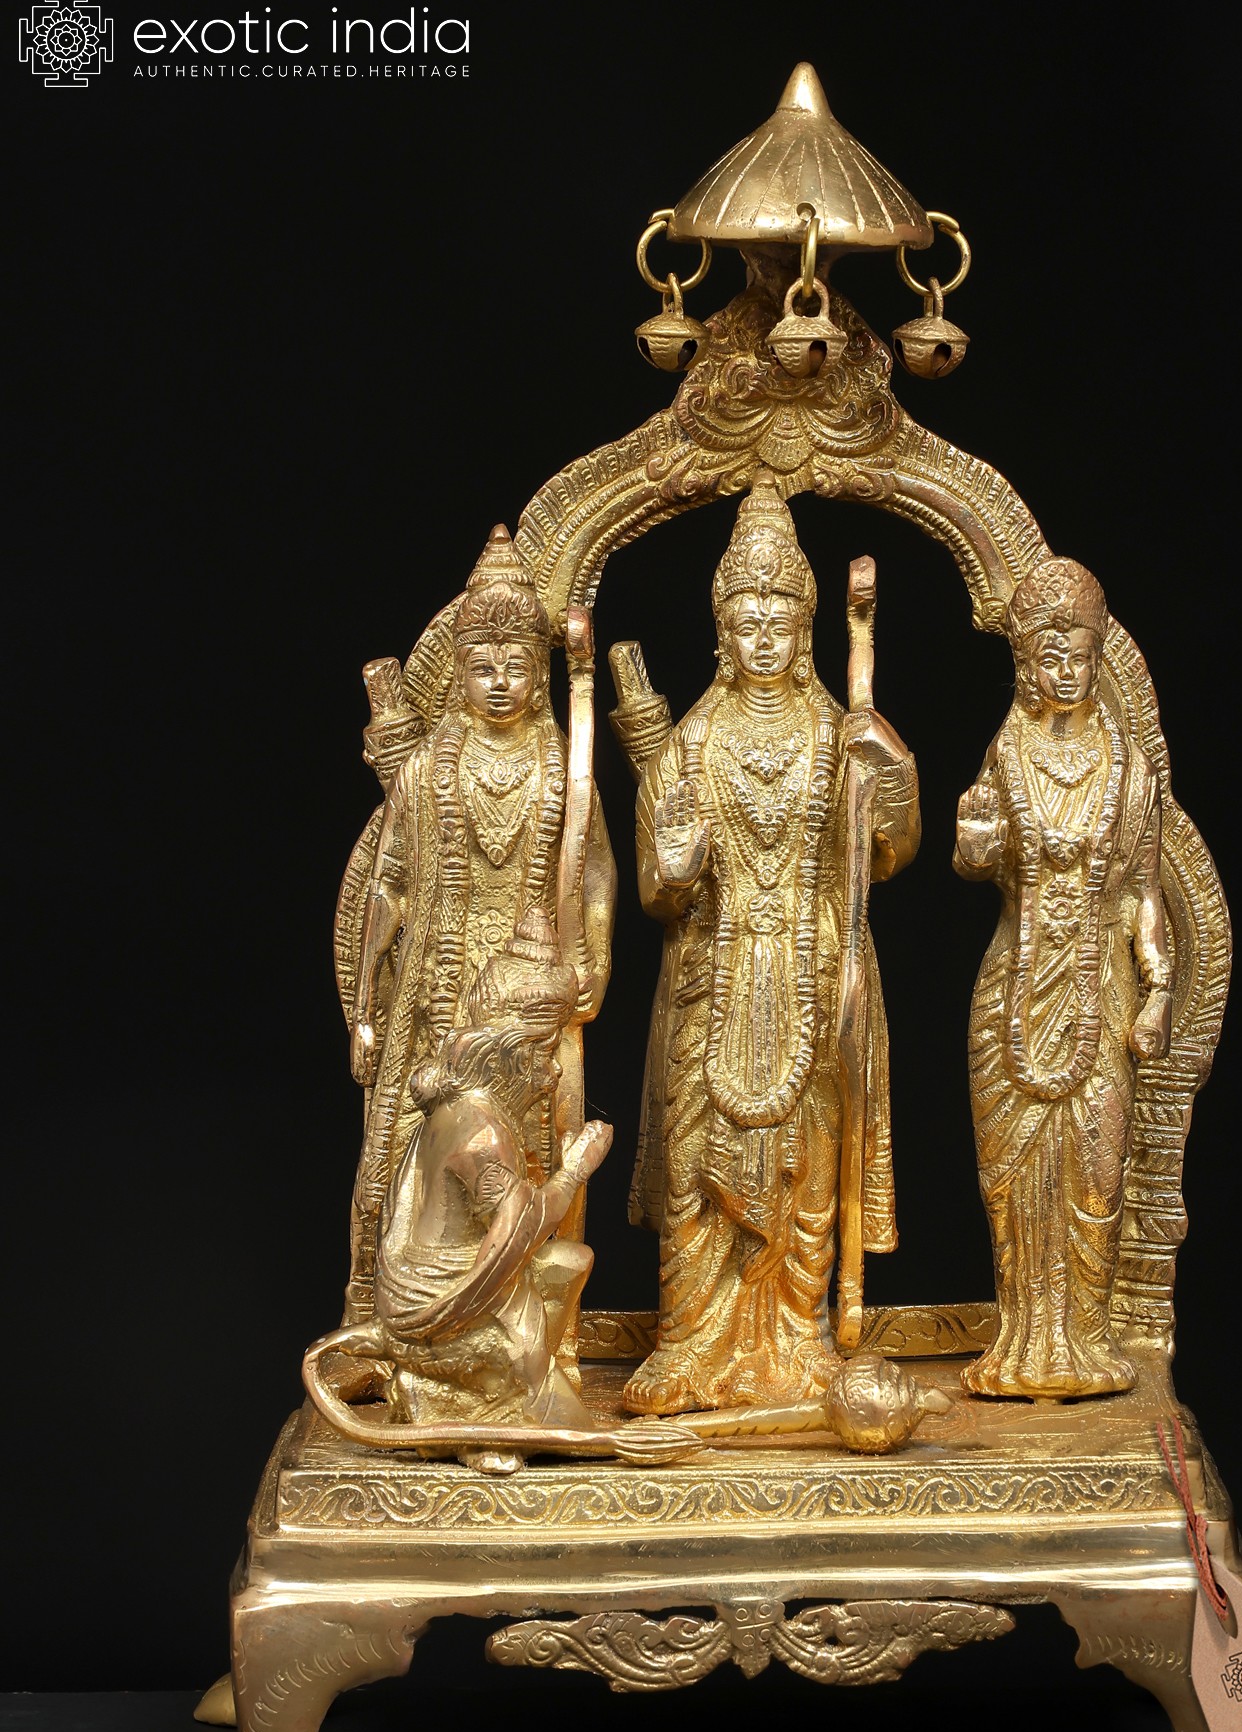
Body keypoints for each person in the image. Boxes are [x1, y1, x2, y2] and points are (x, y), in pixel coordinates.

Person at [624, 473, 919, 1414]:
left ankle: (798, 1339)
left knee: (806, 1168)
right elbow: (654, 889)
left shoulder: (837, 734)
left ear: (805, 627)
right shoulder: (689, 742)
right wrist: (672, 868)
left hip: (810, 969)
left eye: (779, 620)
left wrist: (894, 777)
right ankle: (687, 1342)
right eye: (745, 620)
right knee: (694, 1169)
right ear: (722, 629)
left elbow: (887, 852)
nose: (761, 638)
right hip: (710, 977)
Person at [346, 525, 615, 1320]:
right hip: (438, 992)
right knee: (411, 1150)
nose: (500, 683)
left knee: (537, 1146)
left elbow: (595, 870)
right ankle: (402, 1324)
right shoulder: (427, 768)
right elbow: (388, 884)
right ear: (459, 670)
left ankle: (531, 1330)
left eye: (517, 666)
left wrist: (595, 961)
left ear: (540, 670)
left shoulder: (562, 766)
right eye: (482, 667)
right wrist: (366, 1008)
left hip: (532, 1003)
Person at [953, 556, 1172, 1398]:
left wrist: (1156, 987)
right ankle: (1022, 1338)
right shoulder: (1006, 754)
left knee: (1096, 1169)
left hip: (1100, 988)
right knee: (1012, 1175)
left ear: (1098, 657)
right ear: (1026, 665)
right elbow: (983, 860)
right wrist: (976, 848)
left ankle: (1085, 1336)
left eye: (1080, 657)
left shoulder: (1130, 772)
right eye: (1051, 658)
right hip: (1012, 987)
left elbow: (1142, 893)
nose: (1067, 673)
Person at [373, 910, 613, 1432]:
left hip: (421, 1293)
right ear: (510, 1052)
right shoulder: (484, 1133)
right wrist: (575, 1170)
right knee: (567, 1420)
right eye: (545, 1053)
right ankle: (480, 1410)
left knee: (570, 1261)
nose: (554, 1072)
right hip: (435, 1312)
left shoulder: (456, 1107)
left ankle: (462, 1392)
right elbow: (519, 1234)